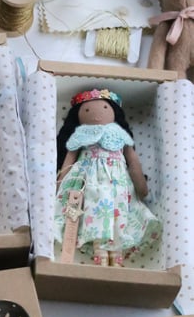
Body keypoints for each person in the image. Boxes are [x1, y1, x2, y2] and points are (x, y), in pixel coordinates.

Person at [54, 88, 160, 266]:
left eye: (105, 108)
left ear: (114, 112)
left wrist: (141, 184)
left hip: (117, 182)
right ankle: (99, 250)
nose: (96, 114)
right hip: (87, 181)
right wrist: (61, 181)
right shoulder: (79, 135)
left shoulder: (120, 134)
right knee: (93, 210)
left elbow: (133, 161)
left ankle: (117, 250)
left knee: (118, 211)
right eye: (87, 110)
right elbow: (69, 160)